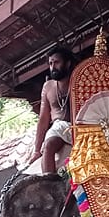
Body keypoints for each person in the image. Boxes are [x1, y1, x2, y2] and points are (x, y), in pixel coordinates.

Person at [33, 45, 74, 174]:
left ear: (67, 64)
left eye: (56, 62)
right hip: (57, 128)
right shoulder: (48, 86)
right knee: (49, 145)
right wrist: (36, 150)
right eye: (50, 63)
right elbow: (43, 119)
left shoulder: (79, 81)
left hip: (78, 128)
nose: (52, 67)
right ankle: (49, 182)